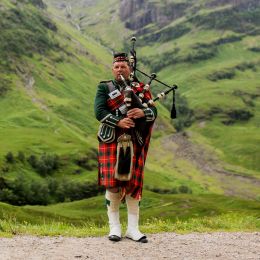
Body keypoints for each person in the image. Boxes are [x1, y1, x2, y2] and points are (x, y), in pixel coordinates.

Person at [94, 52, 157, 243]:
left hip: (134, 138)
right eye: (116, 67)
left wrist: (143, 111)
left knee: (133, 184)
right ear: (112, 69)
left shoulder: (140, 88)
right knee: (112, 183)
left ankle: (133, 229)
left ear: (129, 69)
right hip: (112, 138)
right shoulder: (105, 87)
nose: (120, 69)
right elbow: (99, 111)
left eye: (123, 66)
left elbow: (153, 110)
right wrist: (119, 122)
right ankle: (114, 228)